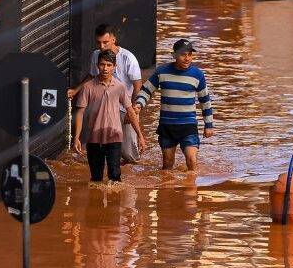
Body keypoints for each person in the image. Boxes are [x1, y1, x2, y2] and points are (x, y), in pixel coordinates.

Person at [134, 38, 214, 171]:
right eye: (183, 54)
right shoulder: (162, 71)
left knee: (191, 160)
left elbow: (205, 101)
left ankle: (192, 189)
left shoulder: (197, 75)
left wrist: (209, 125)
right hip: (167, 126)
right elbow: (146, 90)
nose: (187, 58)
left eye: (190, 54)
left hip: (188, 126)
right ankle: (167, 190)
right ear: (174, 55)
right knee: (167, 164)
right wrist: (139, 104)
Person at [67, 24, 143, 163]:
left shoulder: (128, 58)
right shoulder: (96, 55)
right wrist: (76, 90)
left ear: (114, 39)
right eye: (98, 42)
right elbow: (91, 76)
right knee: (100, 150)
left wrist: (132, 109)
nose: (101, 46)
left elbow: (138, 84)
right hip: (102, 108)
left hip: (123, 109)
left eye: (105, 42)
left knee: (129, 155)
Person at [73, 50, 145, 183]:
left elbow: (130, 111)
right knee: (96, 178)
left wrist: (139, 135)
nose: (105, 68)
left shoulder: (120, 87)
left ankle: (114, 203)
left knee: (115, 177)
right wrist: (76, 137)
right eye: (102, 64)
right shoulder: (87, 87)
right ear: (97, 65)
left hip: (114, 137)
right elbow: (80, 113)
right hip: (93, 138)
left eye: (108, 65)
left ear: (114, 67)